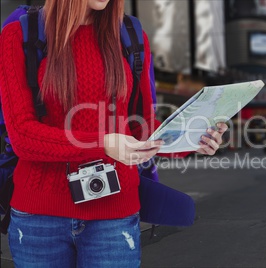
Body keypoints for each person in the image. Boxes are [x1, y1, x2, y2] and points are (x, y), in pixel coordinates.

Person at [0, 0, 228, 267]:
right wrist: (103, 145)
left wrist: (192, 139)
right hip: (39, 219)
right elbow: (23, 136)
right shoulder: (20, 33)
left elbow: (140, 126)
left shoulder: (130, 34)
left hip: (114, 215)